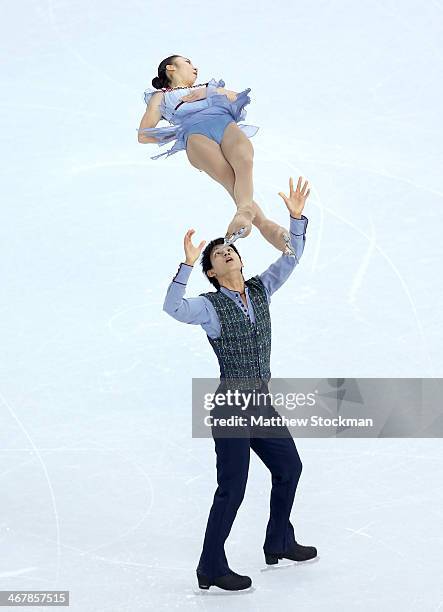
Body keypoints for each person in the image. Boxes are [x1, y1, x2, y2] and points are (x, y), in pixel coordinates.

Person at [162, 176, 317, 591]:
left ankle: (279, 540)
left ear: (240, 260)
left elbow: (291, 257)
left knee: (290, 468)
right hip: (231, 404)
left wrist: (296, 219)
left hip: (261, 402)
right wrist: (187, 264)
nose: (227, 253)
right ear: (212, 271)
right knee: (232, 488)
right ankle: (210, 566)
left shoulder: (260, 289)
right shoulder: (208, 307)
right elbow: (172, 306)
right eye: (219, 255)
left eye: (230, 249)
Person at [137, 54, 296, 254]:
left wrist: (209, 91)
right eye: (188, 62)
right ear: (170, 68)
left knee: (245, 160)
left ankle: (252, 217)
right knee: (230, 179)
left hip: (224, 123)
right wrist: (176, 133)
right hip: (196, 136)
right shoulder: (161, 96)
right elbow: (143, 134)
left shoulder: (207, 87)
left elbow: (239, 97)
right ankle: (264, 225)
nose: (195, 68)